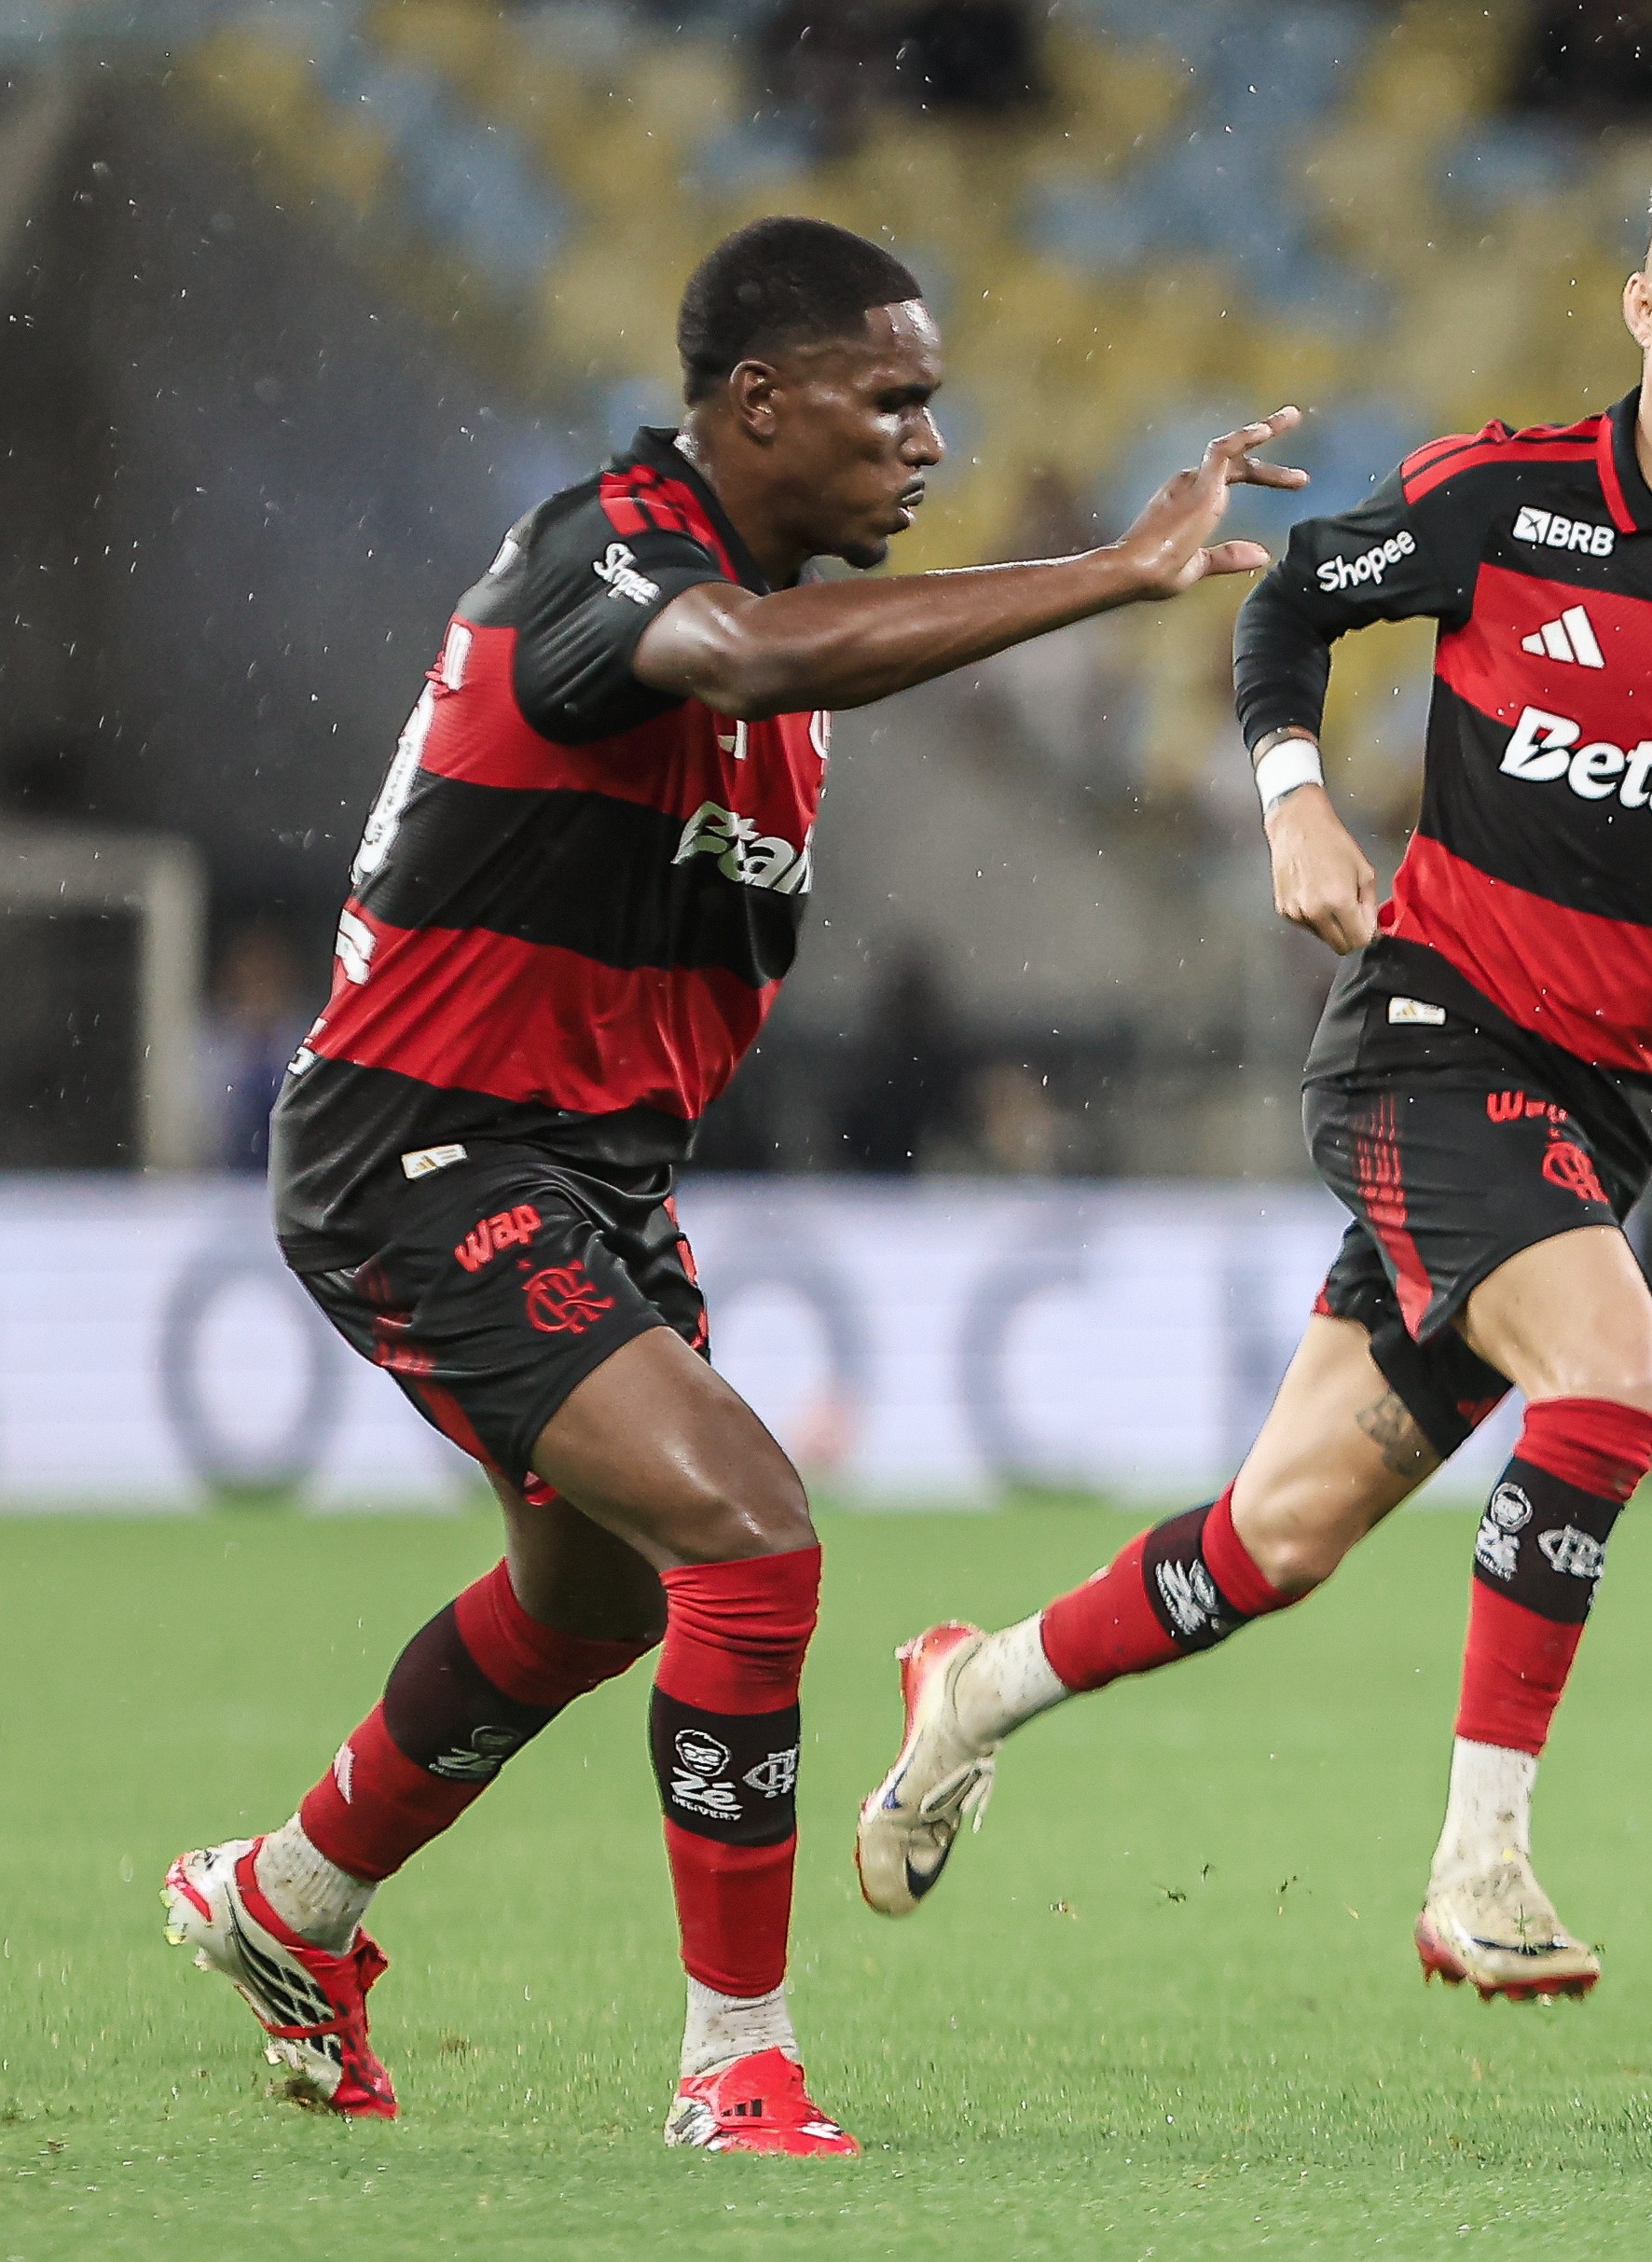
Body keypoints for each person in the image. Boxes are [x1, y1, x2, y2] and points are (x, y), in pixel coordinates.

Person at [163, 216, 1302, 2154]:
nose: (926, 442)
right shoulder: (604, 551)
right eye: (892, 400)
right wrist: (1110, 573)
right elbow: (737, 656)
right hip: (424, 1144)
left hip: (583, 1172)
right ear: (758, 402)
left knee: (594, 1594)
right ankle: (734, 2062)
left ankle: (286, 1896)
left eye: (934, 403)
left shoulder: (781, 658)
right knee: (751, 1537)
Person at [858, 149, 1652, 2000]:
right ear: (1642, 311)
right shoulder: (1502, 498)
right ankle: (1481, 1859)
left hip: (1604, 1108)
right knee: (1612, 1373)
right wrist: (1295, 798)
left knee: (1277, 1535)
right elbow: (1289, 605)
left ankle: (973, 1686)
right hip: (1429, 1045)